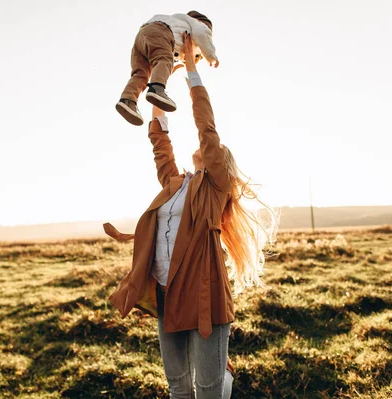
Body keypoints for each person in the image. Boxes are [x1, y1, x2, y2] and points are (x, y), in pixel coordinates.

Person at [104, 34, 278, 398]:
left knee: (208, 387)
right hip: (167, 295)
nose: (202, 147)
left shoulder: (216, 185)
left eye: (212, 150)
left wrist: (193, 72)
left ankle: (224, 383)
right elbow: (160, 143)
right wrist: (157, 90)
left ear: (220, 161)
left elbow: (206, 127)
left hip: (205, 297)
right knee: (178, 384)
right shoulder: (174, 182)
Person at [115, 11, 219, 127]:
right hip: (160, 32)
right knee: (164, 60)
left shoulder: (177, 23)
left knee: (141, 74)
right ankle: (157, 88)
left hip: (141, 37)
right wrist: (211, 58)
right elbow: (202, 35)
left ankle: (128, 100)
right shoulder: (197, 25)